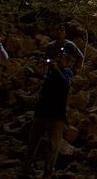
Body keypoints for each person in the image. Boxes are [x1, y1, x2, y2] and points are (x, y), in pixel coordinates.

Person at [21, 50, 74, 178]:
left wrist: (56, 70)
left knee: (53, 145)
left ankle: (48, 171)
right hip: (42, 113)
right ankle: (26, 168)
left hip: (56, 115)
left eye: (61, 58)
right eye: (57, 57)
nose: (58, 59)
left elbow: (65, 84)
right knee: (33, 141)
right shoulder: (49, 72)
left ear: (67, 62)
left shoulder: (67, 72)